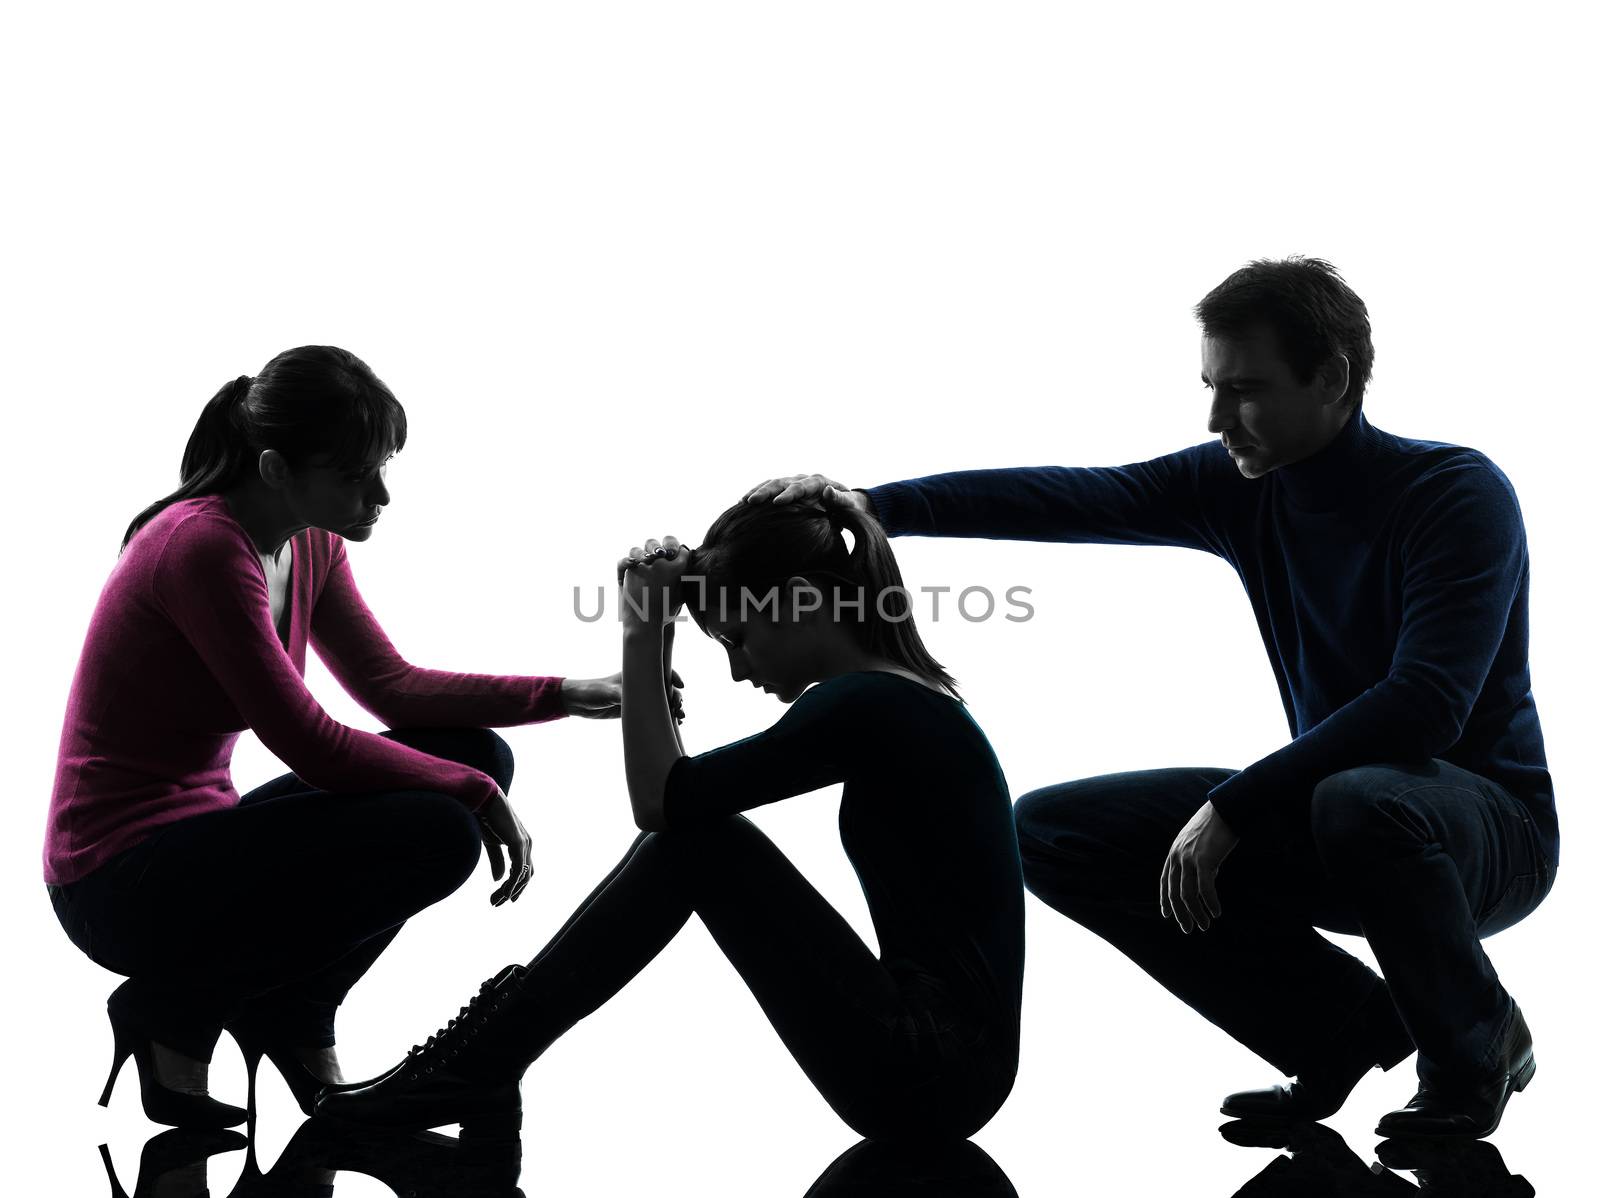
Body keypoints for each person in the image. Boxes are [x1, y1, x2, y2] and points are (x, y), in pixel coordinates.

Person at [745, 257, 1557, 1138]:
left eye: (1244, 391)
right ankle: (1337, 1030)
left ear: (1333, 378)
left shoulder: (1454, 494)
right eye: (1210, 387)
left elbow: (1425, 705)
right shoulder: (1237, 487)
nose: (1216, 419)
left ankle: (1477, 1040)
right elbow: (1075, 497)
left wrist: (1233, 806)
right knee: (1053, 831)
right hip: (1339, 823)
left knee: (1358, 796)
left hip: (1486, 835)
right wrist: (871, 506)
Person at [45, 346, 642, 1128]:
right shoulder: (199, 546)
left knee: (477, 752)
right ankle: (176, 1008)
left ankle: (289, 1011)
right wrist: (472, 795)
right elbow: (308, 739)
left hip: (201, 844)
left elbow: (390, 685)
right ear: (275, 467)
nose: (383, 494)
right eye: (358, 474)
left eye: (384, 467)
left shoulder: (307, 537)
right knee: (441, 829)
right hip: (117, 882)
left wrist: (564, 693)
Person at [316, 498, 1025, 1145]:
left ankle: (479, 1063)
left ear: (806, 601)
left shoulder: (873, 706)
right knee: (704, 838)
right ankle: (485, 1061)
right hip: (940, 1067)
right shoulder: (904, 700)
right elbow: (675, 796)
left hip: (932, 1071)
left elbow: (662, 802)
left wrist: (644, 627)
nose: (740, 670)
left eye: (740, 637)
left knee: (704, 845)